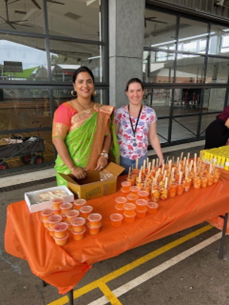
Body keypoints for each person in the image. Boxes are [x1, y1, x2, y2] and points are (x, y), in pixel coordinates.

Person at [52, 66, 119, 185]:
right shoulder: (65, 109)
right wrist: (73, 167)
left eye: (89, 81)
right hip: (69, 172)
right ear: (74, 86)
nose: (85, 86)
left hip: (95, 169)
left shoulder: (100, 110)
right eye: (80, 82)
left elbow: (107, 135)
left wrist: (104, 155)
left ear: (93, 85)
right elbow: (57, 140)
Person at [115, 78, 163, 174]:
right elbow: (113, 138)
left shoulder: (150, 113)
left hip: (142, 160)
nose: (135, 95)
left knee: (141, 186)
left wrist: (160, 157)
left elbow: (153, 137)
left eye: (138, 91)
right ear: (127, 93)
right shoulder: (119, 113)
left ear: (143, 92)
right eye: (131, 91)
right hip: (122, 160)